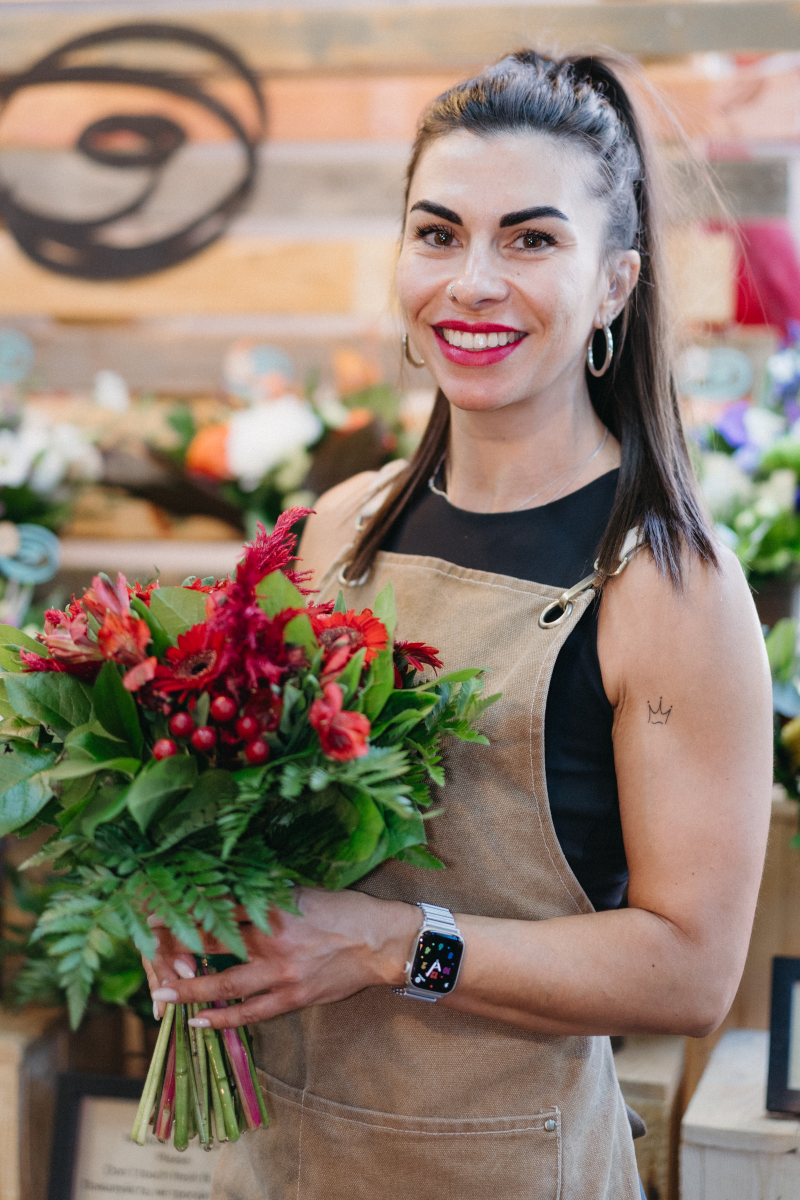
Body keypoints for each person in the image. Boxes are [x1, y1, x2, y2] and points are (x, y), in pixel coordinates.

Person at [146, 52, 773, 1199]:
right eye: (437, 234)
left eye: (530, 241)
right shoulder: (339, 528)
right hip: (274, 1157)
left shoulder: (664, 583)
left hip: (507, 1167)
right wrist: (181, 895)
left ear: (614, 284)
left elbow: (686, 973)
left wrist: (387, 943)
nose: (471, 281)